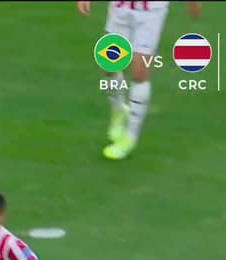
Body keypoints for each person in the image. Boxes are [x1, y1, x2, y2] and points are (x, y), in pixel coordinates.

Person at [78, 1, 202, 160]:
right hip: (120, 8)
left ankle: (130, 136)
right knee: (110, 66)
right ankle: (118, 110)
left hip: (150, 13)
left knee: (139, 72)